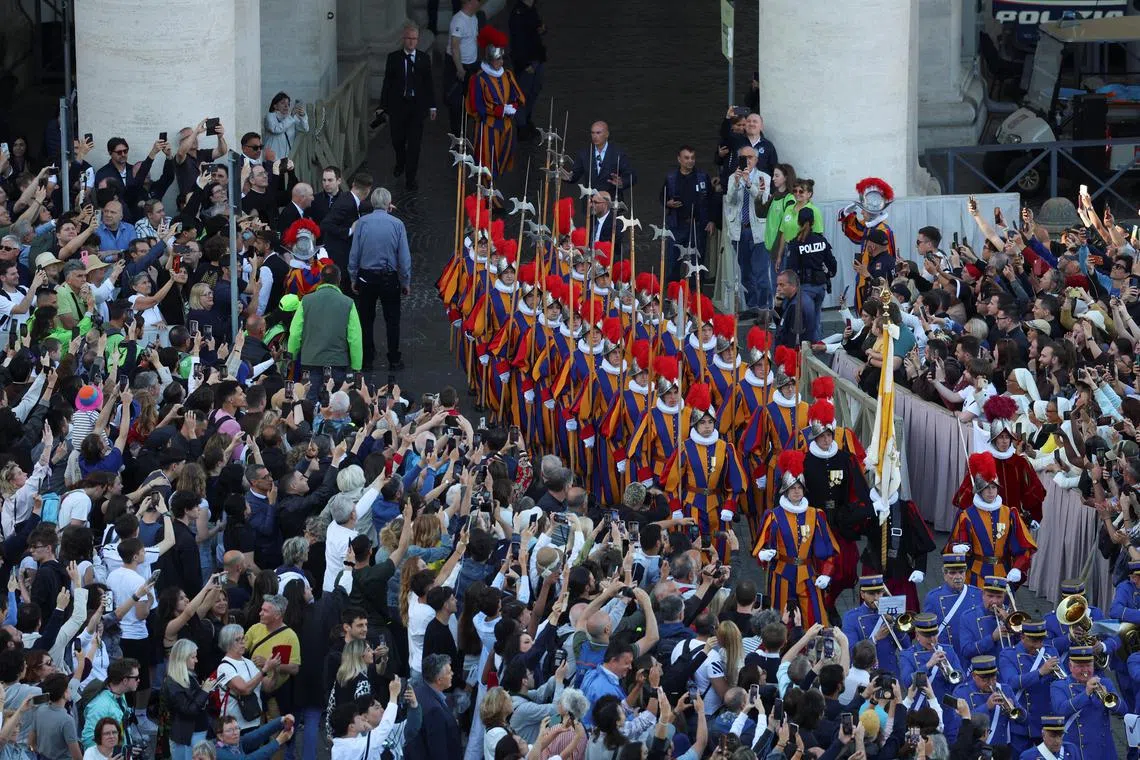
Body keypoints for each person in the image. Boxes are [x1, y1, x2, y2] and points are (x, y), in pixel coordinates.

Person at [754, 449, 838, 627]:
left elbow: (828, 549)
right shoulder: (774, 516)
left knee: (815, 618)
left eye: (799, 487)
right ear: (785, 491)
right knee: (780, 619)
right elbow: (761, 546)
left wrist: (826, 573)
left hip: (808, 574)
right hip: (782, 573)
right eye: (793, 488)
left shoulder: (816, 515)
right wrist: (763, 554)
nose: (797, 491)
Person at [945, 452, 1037, 588]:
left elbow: (1023, 547)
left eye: (994, 487)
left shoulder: (1010, 513)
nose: (990, 491)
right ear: (979, 490)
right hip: (975, 575)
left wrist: (1018, 567)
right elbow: (956, 543)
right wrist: (956, 547)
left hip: (1004, 574)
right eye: (986, 488)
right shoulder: (967, 515)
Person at [347, 187, 411, 371]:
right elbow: (404, 258)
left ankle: (367, 358)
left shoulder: (362, 223)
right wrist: (405, 281)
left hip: (366, 278)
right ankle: (393, 358)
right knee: (392, 319)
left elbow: (354, 254)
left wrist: (353, 276)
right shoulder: (397, 224)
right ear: (389, 204)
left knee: (366, 319)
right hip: (389, 278)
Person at [378, 22, 436, 192]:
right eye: (409, 38)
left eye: (414, 39)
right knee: (397, 140)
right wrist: (383, 105)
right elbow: (387, 83)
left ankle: (411, 177)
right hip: (398, 106)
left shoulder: (424, 59)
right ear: (404, 39)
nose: (411, 42)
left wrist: (432, 106)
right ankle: (400, 160)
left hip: (417, 108)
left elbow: (428, 84)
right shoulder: (393, 58)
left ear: (418, 40)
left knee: (415, 144)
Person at [287, 264, 362, 385]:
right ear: (339, 279)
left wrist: (291, 357)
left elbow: (295, 333)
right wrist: (356, 367)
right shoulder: (348, 303)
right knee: (335, 401)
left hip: (310, 362)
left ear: (320, 279)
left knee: (309, 399)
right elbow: (355, 338)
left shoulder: (306, 301)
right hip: (337, 363)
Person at [466, 26, 525, 180]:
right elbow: (477, 106)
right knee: (487, 163)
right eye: (497, 59)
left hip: (505, 126)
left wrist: (513, 107)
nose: (500, 62)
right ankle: (490, 197)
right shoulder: (479, 79)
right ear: (489, 60)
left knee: (502, 160)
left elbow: (517, 96)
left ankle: (493, 191)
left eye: (501, 59)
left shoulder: (507, 75)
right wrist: (500, 110)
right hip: (488, 127)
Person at [1049, 645, 1123, 760]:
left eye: (1088, 665)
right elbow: (1060, 711)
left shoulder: (1105, 682)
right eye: (1080, 666)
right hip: (1076, 749)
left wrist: (1110, 698)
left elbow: (1123, 710)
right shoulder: (1059, 685)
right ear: (1070, 666)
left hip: (1103, 749)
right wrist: (1086, 693)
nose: (1085, 670)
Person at [723, 146, 768, 312]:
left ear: (756, 160)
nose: (748, 160)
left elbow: (762, 199)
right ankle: (752, 306)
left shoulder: (765, 177)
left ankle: (764, 307)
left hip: (757, 231)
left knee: (760, 272)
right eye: (744, 157)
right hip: (739, 230)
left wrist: (749, 182)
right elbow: (730, 200)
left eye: (751, 157)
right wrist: (736, 182)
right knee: (746, 271)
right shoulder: (732, 178)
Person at [781, 207, 836, 340]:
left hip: (804, 288)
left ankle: (807, 350)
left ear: (798, 222)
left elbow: (790, 269)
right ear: (813, 222)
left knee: (804, 321)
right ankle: (816, 346)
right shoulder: (821, 240)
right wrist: (828, 275)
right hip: (820, 287)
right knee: (816, 318)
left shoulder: (795, 243)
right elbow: (832, 264)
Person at [661, 145, 713, 280]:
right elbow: (663, 197)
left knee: (697, 263)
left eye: (692, 158)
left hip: (698, 225)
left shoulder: (702, 177)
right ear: (679, 159)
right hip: (677, 225)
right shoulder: (671, 177)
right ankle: (672, 294)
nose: (690, 161)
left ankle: (696, 295)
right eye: (687, 158)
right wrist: (668, 203)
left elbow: (711, 200)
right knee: (673, 261)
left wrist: (711, 221)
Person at [163, 639, 217, 760]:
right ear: (183, 658)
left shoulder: (190, 677)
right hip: (186, 736)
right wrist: (204, 691)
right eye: (193, 657)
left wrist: (203, 690)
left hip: (197, 732)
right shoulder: (172, 683)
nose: (196, 660)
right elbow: (189, 710)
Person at [923, 553, 982, 661]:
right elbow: (928, 630)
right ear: (945, 575)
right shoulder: (933, 597)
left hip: (972, 653)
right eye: (952, 573)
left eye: (961, 572)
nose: (958, 577)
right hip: (947, 655)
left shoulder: (977, 593)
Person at [406, 654, 461, 760]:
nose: (452, 674)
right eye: (449, 672)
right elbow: (438, 751)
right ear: (439, 680)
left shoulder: (418, 691)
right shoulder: (434, 711)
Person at [320, 172, 373, 281]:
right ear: (367, 190)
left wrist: (379, 205)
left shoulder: (349, 198)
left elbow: (361, 205)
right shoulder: (346, 203)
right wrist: (349, 230)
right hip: (338, 255)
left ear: (353, 184)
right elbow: (326, 224)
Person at [568, 121, 637, 202]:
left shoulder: (618, 153)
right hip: (591, 204)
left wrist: (621, 182)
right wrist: (563, 175)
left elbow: (632, 176)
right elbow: (574, 176)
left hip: (611, 203)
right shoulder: (584, 153)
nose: (595, 136)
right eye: (593, 133)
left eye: (598, 133)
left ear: (607, 134)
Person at [27, 673, 78, 760]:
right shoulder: (67, 720)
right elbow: (77, 756)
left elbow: (31, 743)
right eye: (68, 688)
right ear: (64, 694)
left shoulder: (40, 710)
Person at [263, 93, 309, 160]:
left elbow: (305, 129)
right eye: (282, 103)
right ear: (275, 106)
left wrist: (303, 116)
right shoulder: (270, 116)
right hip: (271, 159)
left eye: (288, 104)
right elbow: (276, 129)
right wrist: (291, 116)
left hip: (286, 160)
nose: (286, 106)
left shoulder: (291, 118)